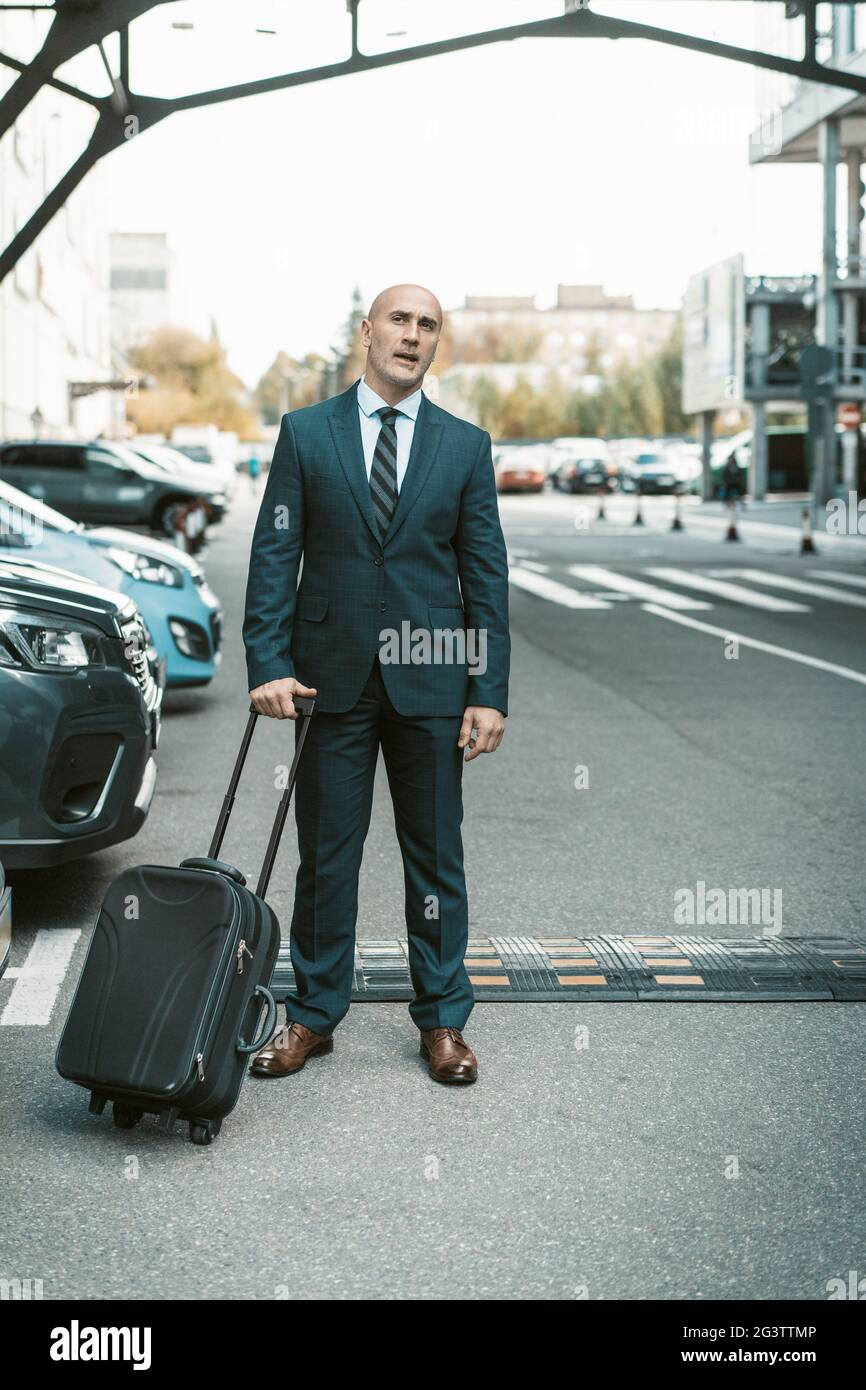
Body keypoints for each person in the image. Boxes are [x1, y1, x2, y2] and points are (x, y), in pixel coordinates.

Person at [242, 284, 510, 1085]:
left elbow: (485, 575)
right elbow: (271, 557)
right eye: (400, 319)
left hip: (431, 681)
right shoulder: (305, 433)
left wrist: (487, 688)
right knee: (326, 856)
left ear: (436, 345)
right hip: (329, 683)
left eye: (428, 326)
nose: (413, 335)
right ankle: (313, 1015)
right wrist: (268, 665)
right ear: (368, 332)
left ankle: (443, 1021)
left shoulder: (464, 446)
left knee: (435, 858)